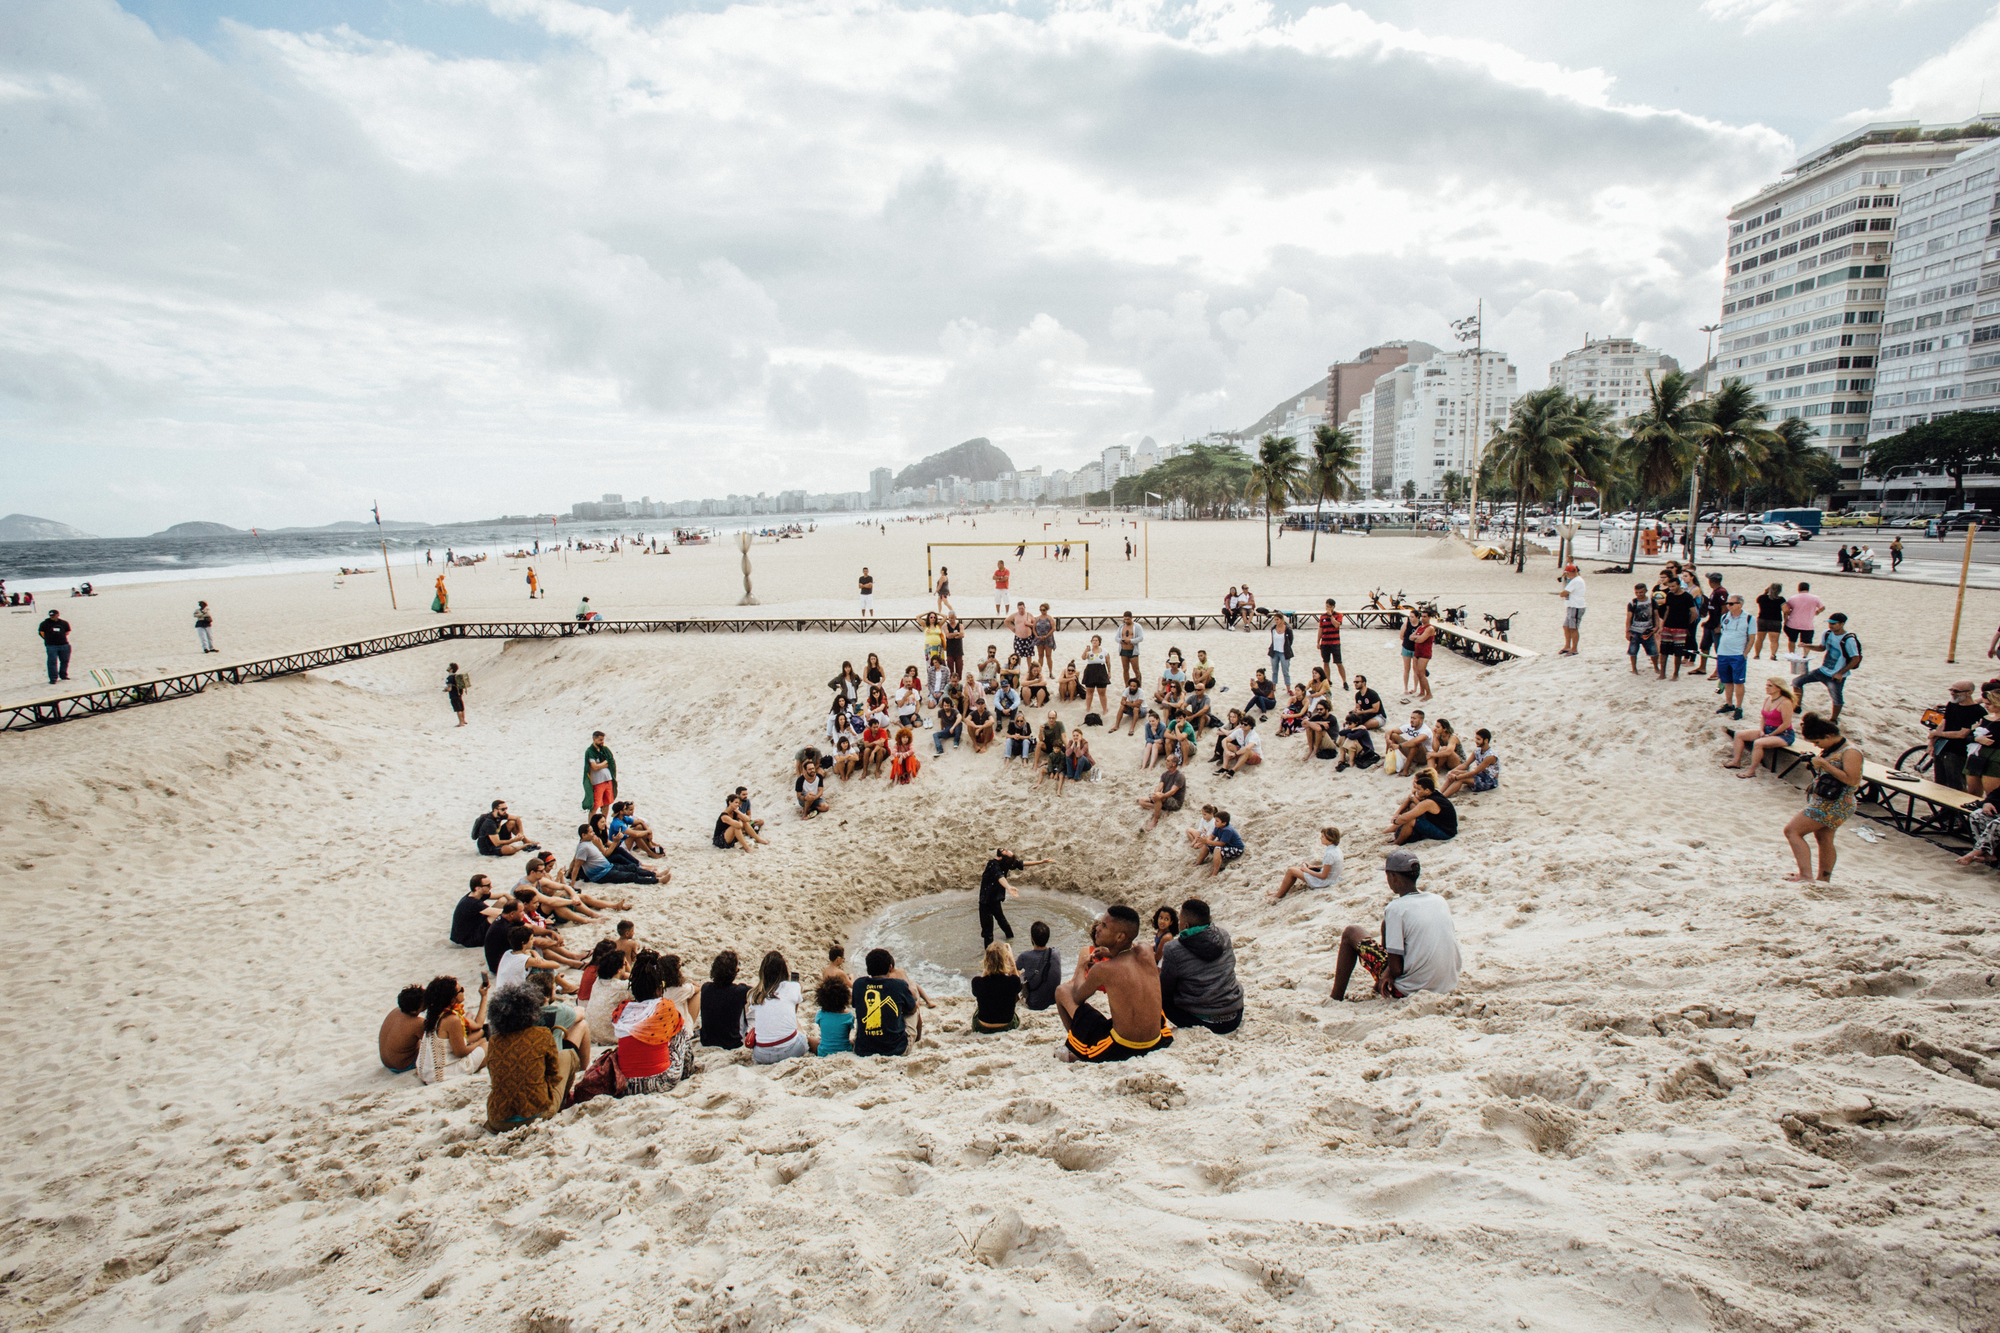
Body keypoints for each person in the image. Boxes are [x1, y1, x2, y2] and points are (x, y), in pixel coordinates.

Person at [1331, 849, 1462, 1001]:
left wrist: (1388, 973)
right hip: (1447, 984)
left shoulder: (1396, 908)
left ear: (1393, 877)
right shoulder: (1438, 900)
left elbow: (1396, 969)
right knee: (1388, 924)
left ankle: (1335, 997)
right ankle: (1376, 983)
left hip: (1409, 990)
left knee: (1351, 932)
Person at [1055, 905, 1172, 1063]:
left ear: (1119, 937)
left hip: (1122, 1047)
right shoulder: (1145, 950)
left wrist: (1082, 968)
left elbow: (1077, 997)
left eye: (1104, 926)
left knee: (1062, 991)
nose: (1098, 928)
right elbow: (1130, 951)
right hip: (1158, 1039)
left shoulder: (1103, 969)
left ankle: (1078, 1050)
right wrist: (1110, 953)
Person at [484, 983, 578, 1132]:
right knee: (568, 1055)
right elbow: (553, 1075)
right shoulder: (541, 1034)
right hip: (535, 1115)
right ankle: (563, 1102)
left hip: (498, 1121)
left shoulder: (494, 1041)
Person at [1785, 711, 1862, 883]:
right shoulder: (1834, 748)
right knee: (1824, 838)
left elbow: (1853, 781)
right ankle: (1823, 880)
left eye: (1818, 742)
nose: (1817, 746)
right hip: (1827, 800)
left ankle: (1806, 876)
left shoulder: (1851, 752)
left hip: (1836, 803)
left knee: (1792, 830)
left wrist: (1825, 765)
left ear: (1828, 735)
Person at [1158, 898, 1243, 1034]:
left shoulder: (1173, 949)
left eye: (1179, 921)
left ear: (1185, 926)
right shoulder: (1224, 935)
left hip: (1201, 1021)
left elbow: (1165, 988)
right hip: (1233, 1016)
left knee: (1161, 996)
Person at [615, 952, 695, 1094]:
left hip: (628, 1084)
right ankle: (688, 1071)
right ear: (659, 987)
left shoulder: (623, 1010)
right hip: (660, 1081)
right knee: (680, 1032)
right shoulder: (665, 1007)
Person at [417, 974, 488, 1083]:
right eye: (461, 990)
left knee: (481, 1034)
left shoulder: (437, 1013)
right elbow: (460, 1052)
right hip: (439, 1074)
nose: (463, 992)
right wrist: (481, 1042)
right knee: (489, 1045)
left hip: (426, 1071)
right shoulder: (452, 1019)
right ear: (452, 999)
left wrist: (483, 996)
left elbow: (478, 1024)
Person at [1793, 611, 1860, 721]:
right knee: (1797, 682)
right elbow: (1821, 648)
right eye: (1830, 623)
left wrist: (1840, 673)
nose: (1831, 625)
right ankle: (1797, 707)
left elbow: (1855, 658)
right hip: (1822, 670)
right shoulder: (1827, 633)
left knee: (1837, 698)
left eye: (1834, 623)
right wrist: (1807, 646)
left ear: (1842, 624)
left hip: (1836, 675)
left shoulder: (1849, 640)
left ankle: (1833, 719)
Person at [853, 949, 919, 1057]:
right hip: (896, 1049)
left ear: (868, 969)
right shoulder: (899, 985)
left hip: (863, 1049)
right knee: (915, 1008)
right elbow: (912, 1009)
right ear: (890, 967)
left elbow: (857, 1005)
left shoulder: (858, 984)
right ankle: (916, 1039)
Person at [745, 951, 808, 1064]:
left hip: (762, 1054)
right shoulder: (792, 987)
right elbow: (794, 1011)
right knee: (800, 1032)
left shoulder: (755, 994)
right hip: (791, 1050)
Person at [980, 848, 1053, 945]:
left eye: (1006, 851)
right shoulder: (993, 864)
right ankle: (1007, 942)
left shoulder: (1000, 863)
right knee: (994, 927)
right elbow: (1000, 877)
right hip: (988, 899)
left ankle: (1008, 942)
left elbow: (1019, 865)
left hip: (990, 900)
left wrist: (1042, 862)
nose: (1006, 849)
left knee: (997, 927)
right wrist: (1008, 887)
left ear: (1003, 857)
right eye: (1006, 850)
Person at [1933, 680, 1985, 792]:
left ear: (1969, 692)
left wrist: (1937, 734)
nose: (1952, 693)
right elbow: (1943, 724)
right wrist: (1932, 744)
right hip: (1942, 748)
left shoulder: (1977, 711)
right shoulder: (1951, 705)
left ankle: (1953, 809)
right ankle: (1942, 809)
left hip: (1958, 752)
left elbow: (1962, 734)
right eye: (1951, 690)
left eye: (1956, 691)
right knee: (1939, 784)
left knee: (1955, 785)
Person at [1270, 827, 1343, 901]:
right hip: (1333, 878)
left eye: (1323, 837)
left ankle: (1279, 894)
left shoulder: (1329, 854)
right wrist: (1313, 867)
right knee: (1296, 869)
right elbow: (1329, 865)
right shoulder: (1336, 849)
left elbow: (1323, 876)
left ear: (1329, 839)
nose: (1320, 838)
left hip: (1324, 882)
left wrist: (1307, 870)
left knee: (1291, 871)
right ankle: (1281, 891)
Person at [1712, 593, 1754, 719]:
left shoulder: (1749, 618)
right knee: (1726, 680)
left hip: (1737, 655)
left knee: (1738, 682)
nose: (1728, 606)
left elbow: (1751, 638)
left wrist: (1745, 653)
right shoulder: (1725, 616)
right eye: (1727, 603)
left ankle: (1739, 707)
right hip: (1723, 653)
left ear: (1740, 604)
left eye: (1731, 603)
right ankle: (1729, 704)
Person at [1388, 770, 1456, 845]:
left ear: (1427, 790)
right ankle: (1390, 832)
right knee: (1411, 808)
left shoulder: (1429, 802)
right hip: (1441, 825)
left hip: (1445, 833)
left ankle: (1397, 843)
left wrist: (1395, 821)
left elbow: (1406, 818)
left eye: (1419, 789)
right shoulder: (1434, 793)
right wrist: (1398, 814)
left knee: (1411, 820)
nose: (1417, 791)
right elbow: (1409, 801)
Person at [699, 950, 749, 1049]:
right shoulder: (740, 991)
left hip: (707, 1041)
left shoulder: (705, 987)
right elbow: (759, 991)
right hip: (731, 1043)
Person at [971, 942, 1024, 1033]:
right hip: (1007, 1025)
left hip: (982, 1026)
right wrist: (1011, 960)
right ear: (1005, 959)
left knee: (979, 1005)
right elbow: (1018, 985)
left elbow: (980, 985)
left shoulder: (977, 982)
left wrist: (989, 966)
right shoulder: (1012, 981)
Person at [380, 983, 430, 1072]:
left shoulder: (395, 1011)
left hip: (386, 1062)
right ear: (414, 1011)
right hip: (403, 1065)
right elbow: (434, 1042)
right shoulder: (417, 1023)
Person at [1658, 576, 1698, 681]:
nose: (1671, 588)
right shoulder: (1670, 595)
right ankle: (1662, 673)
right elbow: (1667, 610)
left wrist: (1686, 624)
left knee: (1678, 651)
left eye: (1673, 586)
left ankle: (1675, 674)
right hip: (1668, 626)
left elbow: (1694, 613)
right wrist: (1663, 625)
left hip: (1680, 628)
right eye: (1670, 586)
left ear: (1679, 585)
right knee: (1664, 651)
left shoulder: (1687, 597)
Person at [1017, 921, 1063, 1011]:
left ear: (1032, 939)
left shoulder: (1025, 956)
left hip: (1034, 1004)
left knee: (1017, 974)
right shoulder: (1056, 952)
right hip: (1054, 1000)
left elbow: (1012, 967)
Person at [1439, 729, 1500, 797]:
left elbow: (1475, 771)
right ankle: (1439, 793)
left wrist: (1457, 777)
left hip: (1488, 780)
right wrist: (1452, 771)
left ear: (1486, 740)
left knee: (1460, 779)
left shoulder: (1490, 756)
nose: (1476, 741)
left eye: (1478, 739)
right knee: (1454, 773)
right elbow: (1465, 765)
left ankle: (1443, 797)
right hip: (1480, 775)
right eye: (1476, 738)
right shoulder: (1477, 750)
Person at [1137, 752, 1187, 830]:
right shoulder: (1164, 774)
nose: (1165, 762)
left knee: (1159, 797)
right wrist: (1156, 793)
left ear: (1174, 764)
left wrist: (1160, 795)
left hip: (1175, 801)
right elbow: (1160, 786)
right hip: (1164, 797)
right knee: (1141, 801)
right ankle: (1160, 809)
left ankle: (1155, 819)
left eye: (1168, 761)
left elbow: (1172, 791)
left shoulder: (1179, 776)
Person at [1624, 582, 1660, 677]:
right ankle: (1634, 669)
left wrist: (1656, 626)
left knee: (1653, 651)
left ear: (1646, 591)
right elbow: (1628, 618)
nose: (1639, 594)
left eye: (1641, 592)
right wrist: (1627, 631)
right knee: (1633, 651)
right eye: (1637, 592)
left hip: (1648, 630)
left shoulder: (1652, 601)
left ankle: (1656, 667)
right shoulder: (1632, 603)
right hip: (1635, 630)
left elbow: (1656, 615)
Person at [451, 874, 497, 947]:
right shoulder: (472, 903)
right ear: (478, 888)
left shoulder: (474, 895)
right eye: (488, 885)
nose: (491, 887)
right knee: (495, 917)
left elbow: (502, 896)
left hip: (473, 928)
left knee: (502, 901)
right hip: (467, 940)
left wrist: (511, 898)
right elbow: (499, 913)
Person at [1193, 809, 1243, 876]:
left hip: (1236, 848)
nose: (1215, 822)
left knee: (1217, 849)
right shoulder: (1218, 827)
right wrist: (1205, 841)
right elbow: (1212, 836)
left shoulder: (1227, 830)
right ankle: (1198, 862)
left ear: (1224, 823)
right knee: (1207, 845)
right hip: (1226, 845)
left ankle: (1215, 872)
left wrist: (1208, 841)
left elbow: (1222, 843)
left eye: (1217, 821)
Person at [813, 977, 854, 1055]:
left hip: (824, 1052)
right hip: (845, 1051)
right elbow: (847, 1034)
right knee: (853, 1041)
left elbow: (822, 1029)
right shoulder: (849, 1016)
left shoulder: (820, 1014)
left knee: (811, 1040)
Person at [1784, 581, 1824, 651]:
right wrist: (1817, 612)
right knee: (1807, 642)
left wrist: (1786, 620)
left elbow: (1786, 610)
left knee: (1792, 640)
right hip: (1807, 624)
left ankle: (1792, 654)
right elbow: (1822, 607)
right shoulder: (1815, 598)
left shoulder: (1792, 598)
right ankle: (1805, 656)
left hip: (1793, 623)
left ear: (1798, 589)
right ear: (1808, 589)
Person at [1317, 599, 1348, 687]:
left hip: (1335, 643)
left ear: (1333, 607)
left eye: (1329, 607)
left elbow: (1336, 625)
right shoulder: (1322, 616)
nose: (1328, 608)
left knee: (1339, 663)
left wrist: (1331, 616)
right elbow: (1320, 629)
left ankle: (1344, 681)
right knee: (1326, 662)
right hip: (1325, 643)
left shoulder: (1339, 615)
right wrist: (1318, 641)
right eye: (1327, 606)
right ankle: (1328, 680)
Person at [582, 731, 616, 812]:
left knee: (606, 803)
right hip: (597, 782)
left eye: (603, 740)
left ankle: (603, 823)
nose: (602, 742)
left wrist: (601, 765)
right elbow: (594, 767)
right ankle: (592, 824)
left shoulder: (605, 749)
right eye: (600, 740)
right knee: (595, 805)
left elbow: (611, 762)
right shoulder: (590, 751)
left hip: (608, 780)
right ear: (594, 739)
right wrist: (605, 762)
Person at [1556, 564, 1585, 656]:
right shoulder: (1575, 580)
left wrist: (1562, 593)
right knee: (1566, 626)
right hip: (1571, 606)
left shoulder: (1576, 581)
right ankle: (1567, 646)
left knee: (1573, 628)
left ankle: (1574, 649)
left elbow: (1564, 593)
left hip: (1576, 606)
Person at [1080, 634, 1111, 716]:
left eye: (1096, 640)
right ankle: (1088, 708)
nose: (1094, 642)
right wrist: (1085, 650)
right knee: (1089, 691)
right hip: (1090, 670)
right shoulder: (1089, 651)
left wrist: (1109, 672)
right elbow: (1083, 657)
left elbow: (1108, 662)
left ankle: (1104, 709)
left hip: (1101, 670)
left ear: (1099, 642)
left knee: (1102, 692)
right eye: (1093, 640)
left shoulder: (1104, 651)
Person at [39, 610, 72, 684]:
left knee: (65, 661)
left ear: (57, 615)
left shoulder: (64, 623)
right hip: (51, 645)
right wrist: (48, 639)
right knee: (52, 662)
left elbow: (67, 632)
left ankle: (63, 675)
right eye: (51, 615)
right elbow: (41, 632)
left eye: (53, 615)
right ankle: (53, 678)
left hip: (64, 644)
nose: (52, 617)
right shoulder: (44, 624)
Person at [1409, 611, 1436, 701]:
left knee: (1421, 673)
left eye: (1425, 616)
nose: (1423, 618)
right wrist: (1416, 638)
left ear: (1429, 618)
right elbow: (1410, 637)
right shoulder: (1420, 627)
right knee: (1417, 673)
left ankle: (1429, 693)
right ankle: (1422, 691)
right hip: (1417, 651)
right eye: (1422, 616)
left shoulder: (1430, 628)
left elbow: (1421, 639)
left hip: (1425, 653)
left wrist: (1415, 638)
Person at [1117, 612, 1146, 688]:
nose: (1126, 621)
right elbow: (1116, 638)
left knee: (1136, 669)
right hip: (1123, 650)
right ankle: (1127, 686)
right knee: (1125, 669)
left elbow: (1141, 638)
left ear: (1131, 618)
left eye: (1128, 619)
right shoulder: (1121, 627)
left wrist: (1131, 641)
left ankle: (1139, 686)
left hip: (1133, 650)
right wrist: (1121, 640)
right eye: (1125, 619)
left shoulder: (1137, 626)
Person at [1267, 612, 1294, 690]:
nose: (1276, 621)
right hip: (1275, 651)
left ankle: (1288, 688)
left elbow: (1290, 640)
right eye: (1275, 620)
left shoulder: (1288, 629)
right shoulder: (1273, 629)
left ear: (1282, 619)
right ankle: (1273, 687)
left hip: (1284, 653)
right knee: (1274, 671)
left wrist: (1286, 648)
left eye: (1277, 619)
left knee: (1285, 671)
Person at [1033, 603, 1056, 678]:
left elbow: (1053, 628)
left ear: (1047, 610)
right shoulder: (1037, 618)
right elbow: (1034, 628)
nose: (1042, 611)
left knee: (1048, 656)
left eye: (1044, 610)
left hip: (1048, 638)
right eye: (1041, 610)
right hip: (1039, 638)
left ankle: (1050, 672)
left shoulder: (1049, 618)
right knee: (1040, 655)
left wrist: (1046, 636)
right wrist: (1037, 636)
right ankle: (1039, 672)